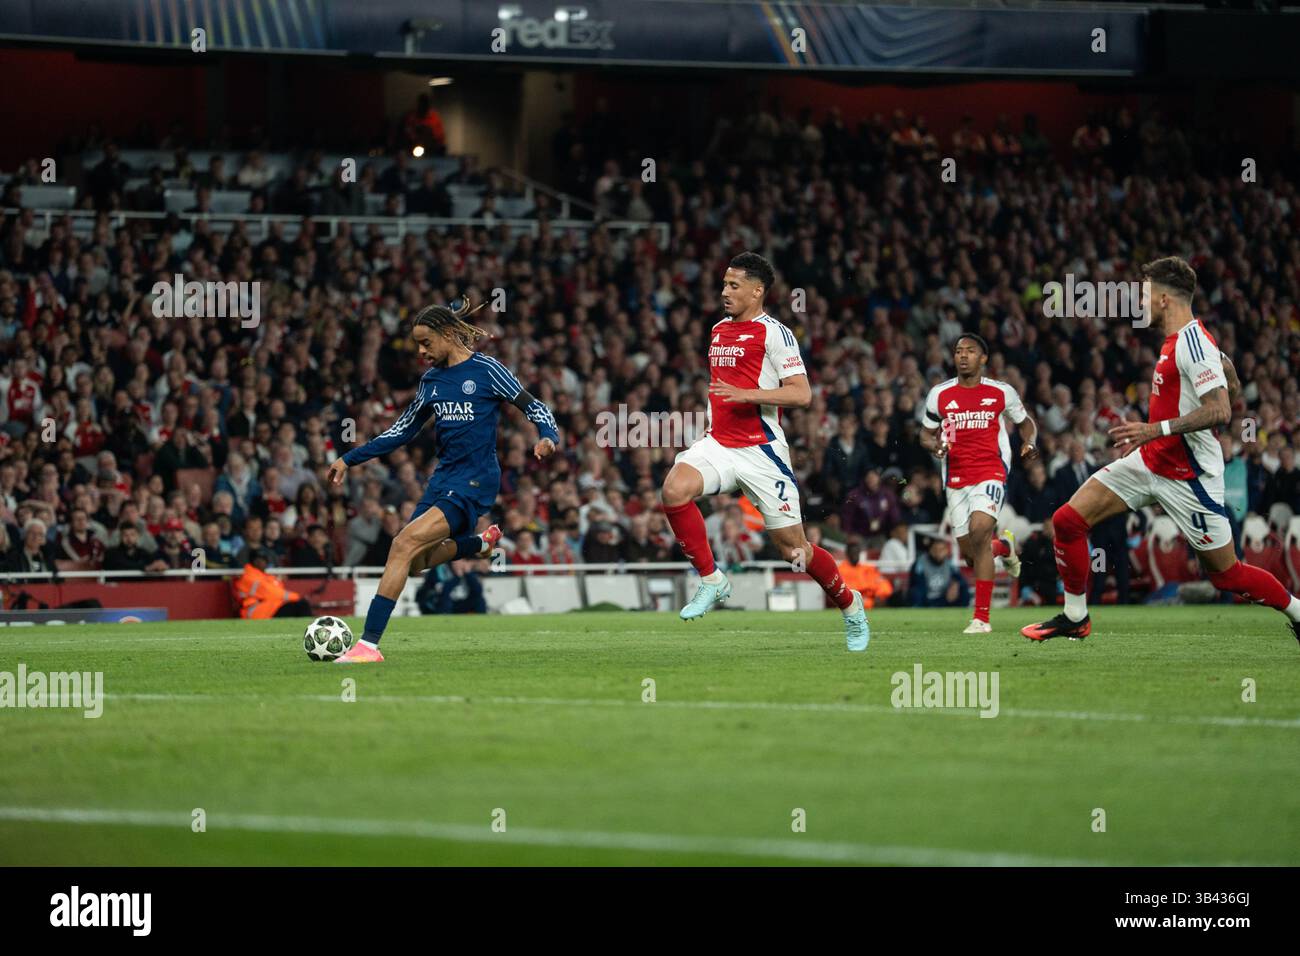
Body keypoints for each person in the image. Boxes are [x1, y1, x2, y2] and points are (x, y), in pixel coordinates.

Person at [1023, 257, 1300, 643]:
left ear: (1165, 299)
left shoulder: (1193, 343)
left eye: (1145, 294)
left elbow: (1219, 410)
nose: (1140, 302)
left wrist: (1156, 428)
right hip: (1149, 462)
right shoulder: (1177, 342)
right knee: (1068, 522)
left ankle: (1298, 611)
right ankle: (1075, 616)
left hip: (1189, 479)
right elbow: (1222, 396)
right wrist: (1231, 384)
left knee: (1227, 575)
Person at [326, 299, 560, 663]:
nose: (421, 351)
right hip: (443, 480)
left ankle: (368, 645)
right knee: (415, 562)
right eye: (417, 344)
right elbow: (400, 432)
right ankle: (477, 546)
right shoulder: (431, 382)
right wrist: (348, 458)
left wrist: (548, 436)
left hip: (476, 481)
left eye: (425, 342)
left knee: (401, 544)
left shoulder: (487, 369)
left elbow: (535, 406)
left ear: (448, 334)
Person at [659, 252, 871, 651]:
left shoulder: (775, 333)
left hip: (761, 452)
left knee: (794, 550)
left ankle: (849, 603)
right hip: (719, 443)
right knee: (673, 490)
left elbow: (802, 393)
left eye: (734, 285)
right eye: (724, 284)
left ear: (758, 291)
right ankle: (712, 580)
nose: (725, 292)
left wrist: (748, 394)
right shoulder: (718, 330)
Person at [919, 333, 1039, 633]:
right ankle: (1005, 547)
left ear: (983, 358)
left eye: (970, 351)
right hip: (955, 479)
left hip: (990, 472)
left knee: (979, 530)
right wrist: (934, 447)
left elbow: (1025, 423)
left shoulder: (1001, 392)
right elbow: (924, 433)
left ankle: (981, 619)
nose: (963, 356)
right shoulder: (939, 394)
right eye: (959, 351)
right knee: (974, 555)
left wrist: (1030, 442)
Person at [231, 548, 312, 619]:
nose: (263, 563)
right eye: (261, 559)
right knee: (301, 605)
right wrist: (297, 597)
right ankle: (311, 632)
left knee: (300, 605)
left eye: (264, 560)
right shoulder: (249, 577)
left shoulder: (266, 576)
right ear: (254, 561)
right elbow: (271, 593)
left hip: (269, 608)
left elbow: (278, 590)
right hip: (256, 612)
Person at [909, 537, 970, 608]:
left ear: (946, 551)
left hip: (944, 597)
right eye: (935, 550)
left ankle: (962, 611)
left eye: (941, 550)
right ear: (930, 550)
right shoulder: (921, 563)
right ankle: (919, 611)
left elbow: (959, 579)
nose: (938, 553)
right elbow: (917, 583)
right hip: (927, 598)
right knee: (916, 592)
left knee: (963, 589)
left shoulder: (949, 564)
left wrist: (956, 584)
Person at [836, 540, 894, 609]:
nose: (855, 556)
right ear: (847, 554)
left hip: (871, 600)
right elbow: (844, 591)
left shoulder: (868, 569)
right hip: (852, 602)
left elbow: (883, 584)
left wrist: (880, 595)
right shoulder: (840, 570)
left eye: (857, 553)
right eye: (853, 553)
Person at [417, 560, 487, 615]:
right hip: (442, 603)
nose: (459, 564)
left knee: (479, 600)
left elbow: (478, 591)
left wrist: (468, 574)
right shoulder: (439, 571)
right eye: (457, 561)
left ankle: (481, 621)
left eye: (461, 561)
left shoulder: (467, 572)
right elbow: (443, 591)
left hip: (462, 602)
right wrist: (457, 577)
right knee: (445, 600)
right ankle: (444, 621)